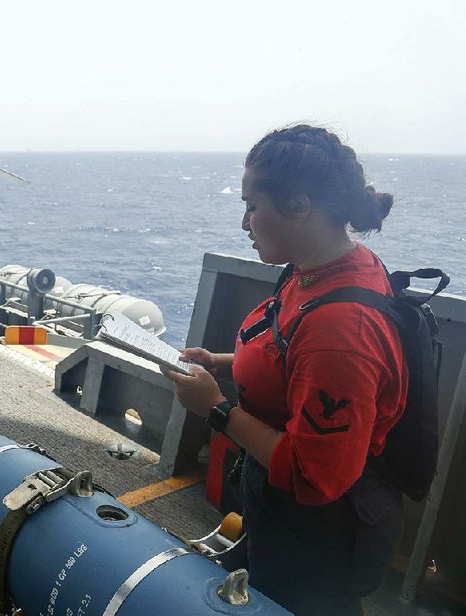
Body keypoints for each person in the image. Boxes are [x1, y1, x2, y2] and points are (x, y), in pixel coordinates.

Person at [162, 124, 406, 616]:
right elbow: (289, 358)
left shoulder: (343, 330)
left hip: (316, 537)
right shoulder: (314, 269)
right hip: (276, 511)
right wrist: (222, 365)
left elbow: (313, 476)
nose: (245, 222)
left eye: (253, 206)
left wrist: (215, 410)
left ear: (299, 205)